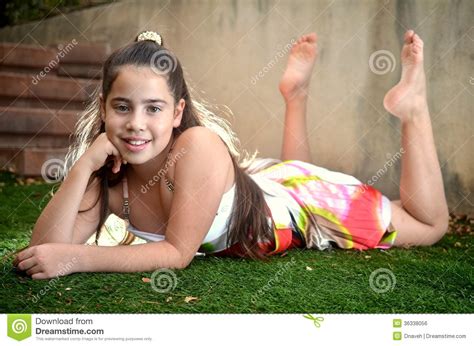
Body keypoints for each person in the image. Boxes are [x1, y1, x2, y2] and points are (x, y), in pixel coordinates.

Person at [13, 30, 449, 279]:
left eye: (154, 108)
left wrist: (77, 259)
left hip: (287, 213)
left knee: (429, 225)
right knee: (297, 174)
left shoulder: (197, 146)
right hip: (261, 184)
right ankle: (295, 98)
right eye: (122, 107)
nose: (136, 124)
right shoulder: (108, 173)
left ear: (178, 111)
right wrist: (84, 167)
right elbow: (43, 248)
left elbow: (177, 254)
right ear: (104, 108)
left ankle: (413, 107)